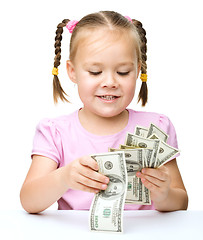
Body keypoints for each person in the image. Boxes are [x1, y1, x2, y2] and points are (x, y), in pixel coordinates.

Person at [20, 11, 188, 213]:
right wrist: (63, 177)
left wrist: (165, 194)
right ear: (72, 72)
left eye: (123, 72)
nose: (110, 82)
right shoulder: (55, 132)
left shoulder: (157, 127)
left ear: (137, 70)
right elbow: (29, 201)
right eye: (95, 72)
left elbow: (181, 202)